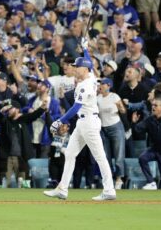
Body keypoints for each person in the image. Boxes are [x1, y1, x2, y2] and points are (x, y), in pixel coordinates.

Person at [43, 39, 116, 201]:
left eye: (77, 67)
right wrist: (84, 49)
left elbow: (75, 108)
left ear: (83, 69)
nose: (74, 69)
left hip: (89, 123)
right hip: (84, 123)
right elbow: (89, 62)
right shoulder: (90, 76)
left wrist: (60, 120)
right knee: (69, 153)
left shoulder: (85, 85)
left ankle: (109, 189)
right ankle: (62, 188)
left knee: (100, 157)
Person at [132, 96, 161, 190]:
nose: (153, 107)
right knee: (142, 158)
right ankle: (151, 182)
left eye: (155, 105)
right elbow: (138, 130)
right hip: (154, 149)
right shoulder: (149, 120)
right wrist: (134, 122)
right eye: (152, 105)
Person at [97, 78, 126, 189]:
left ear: (109, 85)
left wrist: (121, 107)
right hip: (103, 129)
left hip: (116, 127)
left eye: (103, 84)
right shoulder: (97, 98)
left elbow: (123, 111)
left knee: (119, 155)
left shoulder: (114, 96)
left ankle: (119, 179)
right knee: (105, 157)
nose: (101, 86)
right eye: (100, 84)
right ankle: (108, 180)